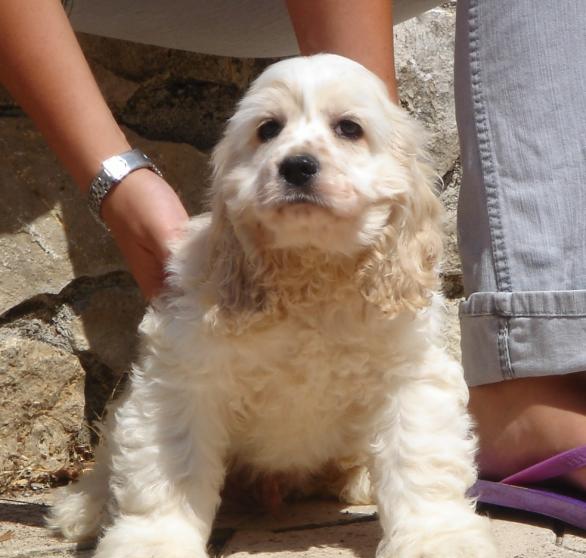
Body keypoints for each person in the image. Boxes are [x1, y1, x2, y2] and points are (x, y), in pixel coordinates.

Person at [1, 1, 585, 496]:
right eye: (269, 130)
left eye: (345, 130)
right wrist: (120, 186)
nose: (299, 156)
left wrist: (372, 116)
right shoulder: (219, 258)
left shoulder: (393, 233)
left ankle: (533, 381)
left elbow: (408, 381)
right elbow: (177, 392)